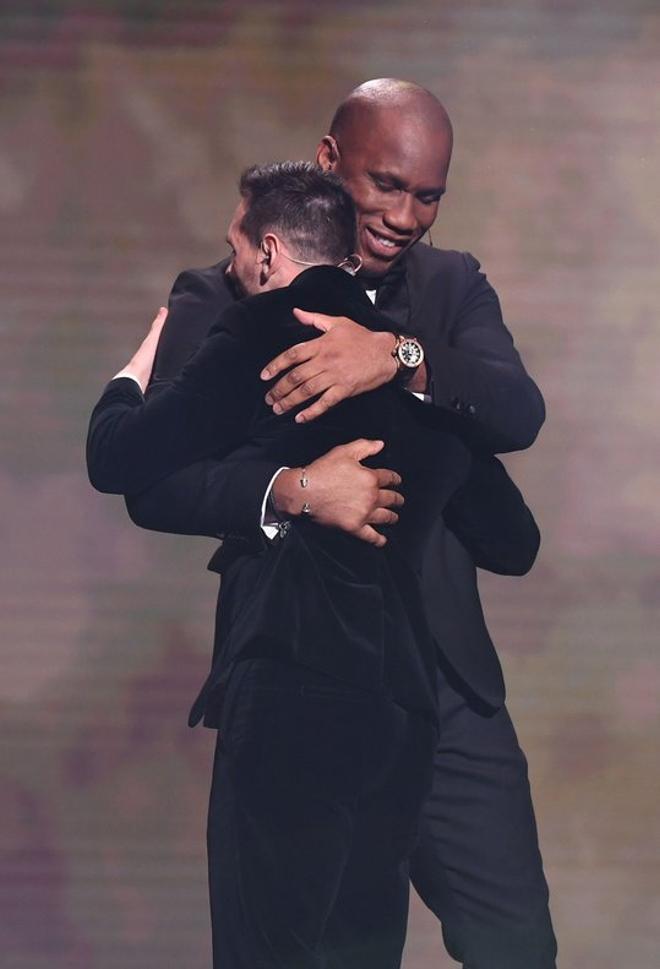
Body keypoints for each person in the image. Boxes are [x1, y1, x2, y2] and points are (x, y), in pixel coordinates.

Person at [119, 79, 557, 969]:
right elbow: (151, 483)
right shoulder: (229, 290)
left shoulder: (449, 286)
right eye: (386, 185)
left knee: (517, 948)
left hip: (446, 689)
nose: (405, 215)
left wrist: (395, 358)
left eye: (427, 194)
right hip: (296, 680)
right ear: (329, 161)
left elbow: (517, 411)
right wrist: (292, 489)